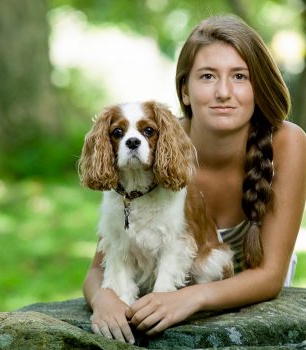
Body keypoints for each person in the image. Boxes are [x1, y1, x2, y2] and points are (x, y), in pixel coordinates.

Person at [83, 14, 306, 344]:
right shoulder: (157, 143)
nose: (223, 92)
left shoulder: (288, 143)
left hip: (245, 302)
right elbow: (100, 267)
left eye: (240, 77)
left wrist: (190, 298)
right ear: (184, 91)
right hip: (159, 303)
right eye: (207, 76)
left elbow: (270, 276)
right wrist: (103, 300)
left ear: (258, 88)